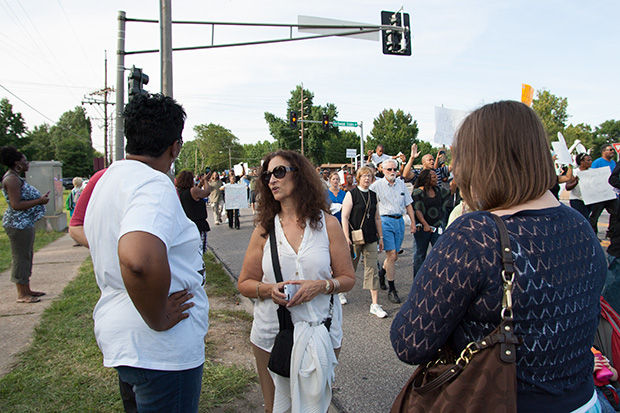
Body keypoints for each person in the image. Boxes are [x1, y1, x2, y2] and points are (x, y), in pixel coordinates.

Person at [391, 100, 607, 412]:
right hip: (585, 401)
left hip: (500, 401)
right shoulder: (580, 225)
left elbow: (409, 342)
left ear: (477, 162)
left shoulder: (475, 234)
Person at [84, 94, 209, 412]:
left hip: (129, 340)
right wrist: (157, 317)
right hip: (161, 351)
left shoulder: (109, 179)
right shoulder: (153, 184)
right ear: (175, 146)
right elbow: (138, 257)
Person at [237, 150, 355, 413]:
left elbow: (347, 278)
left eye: (279, 172)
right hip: (272, 334)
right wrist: (268, 290)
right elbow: (245, 282)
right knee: (275, 408)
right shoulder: (264, 228)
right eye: (267, 175)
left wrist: (322, 286)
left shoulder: (327, 224)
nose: (271, 180)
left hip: (321, 331)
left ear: (300, 176)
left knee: (316, 408)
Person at [0, 146, 49, 303]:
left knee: (26, 255)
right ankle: (22, 294)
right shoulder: (11, 179)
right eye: (24, 160)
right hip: (18, 224)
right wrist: (39, 201)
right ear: (17, 164)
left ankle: (27, 289)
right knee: (20, 257)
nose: (27, 163)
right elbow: (16, 205)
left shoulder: (15, 177)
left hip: (24, 223)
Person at [341, 166, 387, 318]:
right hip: (355, 237)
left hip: (371, 237)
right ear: (358, 177)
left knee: (372, 269)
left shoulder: (374, 195)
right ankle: (340, 292)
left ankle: (374, 304)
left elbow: (377, 218)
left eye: (370, 176)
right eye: (364, 176)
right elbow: (345, 217)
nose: (367, 178)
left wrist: (380, 237)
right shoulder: (351, 194)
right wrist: (346, 237)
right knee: (350, 267)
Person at [370, 158, 416, 304]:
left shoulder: (401, 184)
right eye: (389, 169)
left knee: (394, 257)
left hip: (399, 221)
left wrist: (413, 223)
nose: (392, 172)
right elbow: (369, 203)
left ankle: (382, 272)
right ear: (382, 170)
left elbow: (409, 205)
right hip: (385, 221)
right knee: (391, 255)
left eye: (394, 169)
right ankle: (392, 289)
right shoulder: (376, 185)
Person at [411, 169, 452, 277]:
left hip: (436, 227)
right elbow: (418, 210)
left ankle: (437, 277)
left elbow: (451, 190)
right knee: (420, 255)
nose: (436, 178)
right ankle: (418, 280)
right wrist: (425, 224)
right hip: (422, 228)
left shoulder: (438, 190)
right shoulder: (418, 192)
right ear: (426, 179)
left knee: (440, 253)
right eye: (433, 177)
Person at [176, 170, 211, 255]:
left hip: (186, 224)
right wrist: (206, 181)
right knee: (199, 250)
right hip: (198, 224)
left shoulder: (179, 192)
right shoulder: (193, 191)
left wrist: (200, 184)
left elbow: (195, 192)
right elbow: (206, 192)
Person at [327, 172, 349, 305]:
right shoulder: (325, 194)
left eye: (337, 179)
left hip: (342, 228)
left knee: (339, 258)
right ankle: (329, 286)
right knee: (329, 258)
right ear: (329, 181)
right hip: (328, 229)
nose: (336, 181)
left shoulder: (344, 194)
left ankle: (340, 291)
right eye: (334, 179)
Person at [590, 144, 619, 237]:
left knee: (616, 212)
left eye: (613, 150)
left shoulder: (614, 163)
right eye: (610, 150)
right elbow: (591, 175)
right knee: (595, 216)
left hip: (611, 193)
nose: (612, 152)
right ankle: (593, 234)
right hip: (600, 195)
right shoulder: (597, 162)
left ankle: (611, 232)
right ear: (603, 151)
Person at [567, 153, 594, 220]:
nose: (591, 162)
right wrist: (576, 181)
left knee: (586, 218)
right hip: (577, 199)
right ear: (581, 162)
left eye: (591, 160)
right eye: (588, 160)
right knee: (583, 218)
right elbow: (568, 187)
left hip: (589, 200)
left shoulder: (593, 172)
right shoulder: (574, 172)